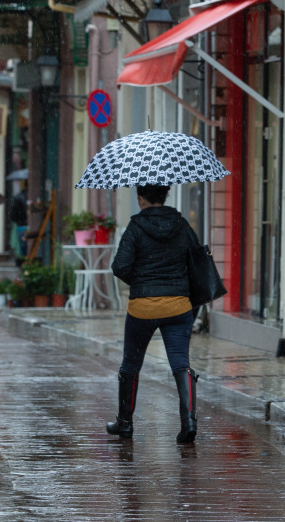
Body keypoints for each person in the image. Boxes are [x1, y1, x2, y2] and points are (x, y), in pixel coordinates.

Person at [106, 184, 199, 443]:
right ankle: (189, 421)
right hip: (178, 306)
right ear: (166, 195)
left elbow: (120, 266)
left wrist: (141, 282)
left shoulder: (135, 227)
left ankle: (124, 423)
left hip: (142, 308)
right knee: (181, 363)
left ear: (141, 198)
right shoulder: (181, 224)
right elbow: (196, 259)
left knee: (131, 364)